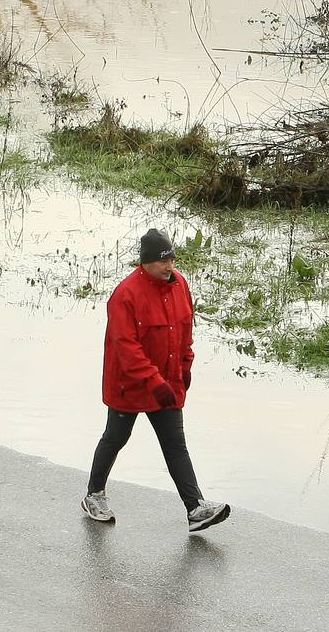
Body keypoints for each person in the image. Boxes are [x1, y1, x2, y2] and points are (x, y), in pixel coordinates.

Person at [81, 228, 230, 533]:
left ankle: (195, 509)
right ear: (146, 262)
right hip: (130, 384)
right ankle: (94, 495)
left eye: (172, 259)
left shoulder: (179, 285)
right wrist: (154, 381)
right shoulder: (126, 295)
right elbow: (126, 346)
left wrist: (184, 367)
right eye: (163, 261)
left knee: (176, 445)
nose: (170, 266)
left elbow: (184, 330)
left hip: (166, 383)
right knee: (115, 437)